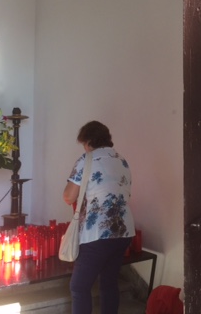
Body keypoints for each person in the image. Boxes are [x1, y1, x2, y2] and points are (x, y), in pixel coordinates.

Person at [63, 121, 135, 314]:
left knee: (79, 286)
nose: (84, 148)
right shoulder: (121, 160)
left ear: (88, 141)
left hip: (97, 233)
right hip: (124, 230)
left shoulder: (86, 159)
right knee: (109, 282)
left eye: (84, 144)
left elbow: (69, 196)